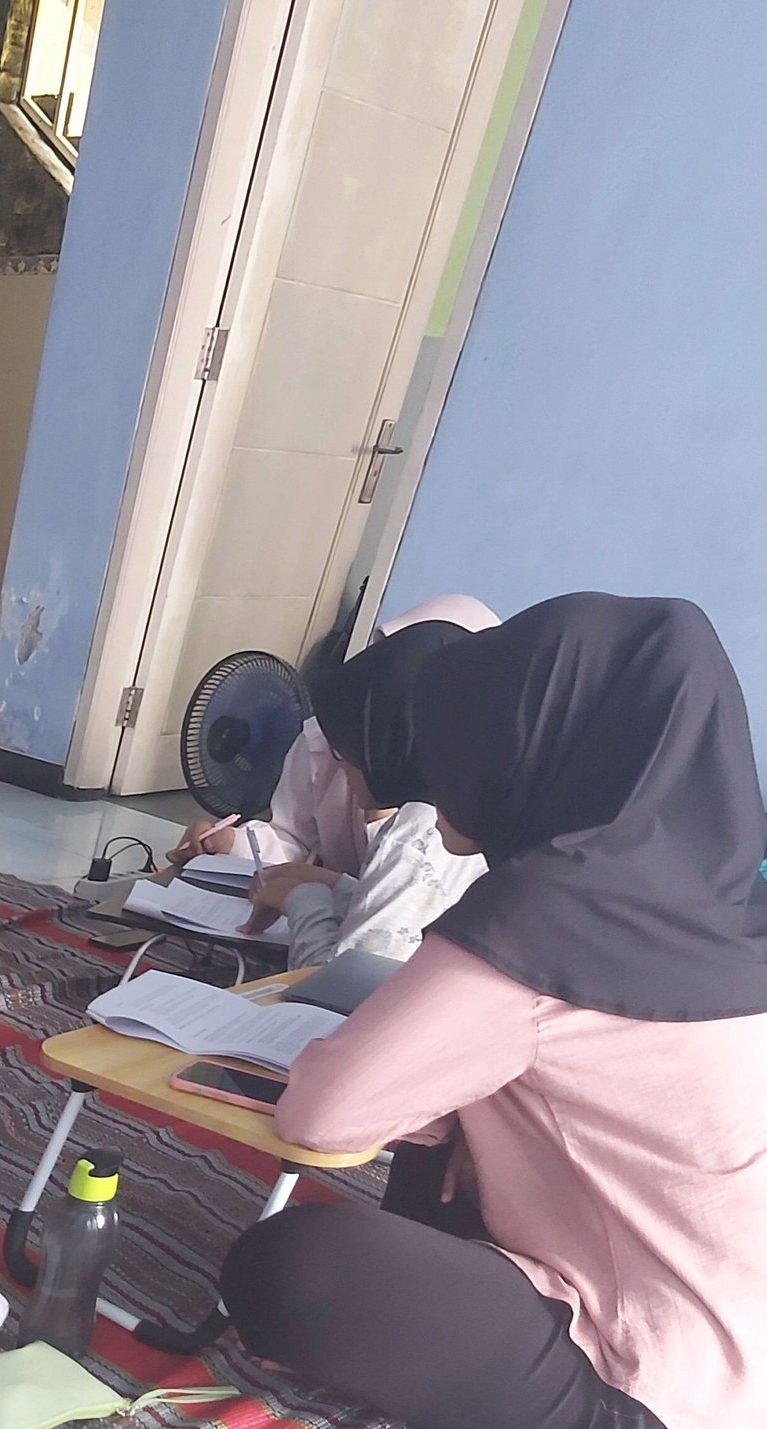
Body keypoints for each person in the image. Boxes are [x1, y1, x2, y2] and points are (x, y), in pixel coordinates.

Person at [219, 593, 767, 1429]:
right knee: (442, 1153)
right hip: (730, 1329)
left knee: (289, 1265)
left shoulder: (553, 914)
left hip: (657, 1372)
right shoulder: (727, 902)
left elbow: (323, 1113)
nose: (445, 773)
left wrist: (448, 1108)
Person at [167, 594, 500, 876]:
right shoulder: (326, 735)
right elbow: (293, 838)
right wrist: (231, 843)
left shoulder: (469, 800)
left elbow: (407, 902)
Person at [245, 621, 488, 967]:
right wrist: (337, 886)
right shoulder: (463, 807)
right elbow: (407, 918)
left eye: (346, 752)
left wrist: (302, 900)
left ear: (387, 745)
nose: (341, 768)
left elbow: (336, 986)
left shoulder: (418, 834)